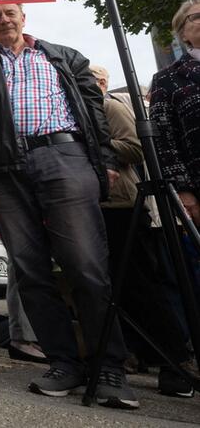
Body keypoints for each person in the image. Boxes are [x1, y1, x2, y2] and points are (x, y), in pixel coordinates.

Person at [0, 0, 137, 409]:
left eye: (9, 13)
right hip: (6, 167)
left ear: (24, 16)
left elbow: (94, 112)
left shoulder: (63, 56)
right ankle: (64, 362)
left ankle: (109, 366)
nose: (3, 20)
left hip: (65, 156)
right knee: (30, 269)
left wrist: (105, 161)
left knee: (86, 265)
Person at [94, 64, 197, 397]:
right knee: (113, 287)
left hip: (122, 205)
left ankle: (177, 361)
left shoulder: (107, 106)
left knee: (142, 284)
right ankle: (143, 354)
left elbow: (137, 146)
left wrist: (94, 146)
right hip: (90, 207)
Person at [150, 0, 200, 228]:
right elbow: (164, 139)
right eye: (197, 16)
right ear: (183, 33)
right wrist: (183, 190)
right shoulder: (167, 79)